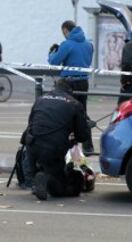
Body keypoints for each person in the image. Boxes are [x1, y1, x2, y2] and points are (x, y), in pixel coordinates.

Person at [23, 79, 90, 200]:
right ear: (71, 90)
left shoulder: (40, 99)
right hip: (54, 148)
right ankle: (46, 178)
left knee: (45, 156)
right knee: (60, 189)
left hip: (32, 145)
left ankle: (34, 179)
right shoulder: (75, 104)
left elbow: (31, 123)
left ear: (55, 87)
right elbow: (83, 136)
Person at [48, 20, 94, 154]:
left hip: (69, 83)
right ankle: (88, 146)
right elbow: (88, 61)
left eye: (64, 33)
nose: (64, 35)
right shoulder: (89, 45)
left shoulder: (67, 44)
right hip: (84, 82)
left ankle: (67, 145)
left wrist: (52, 52)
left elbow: (54, 62)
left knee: (66, 112)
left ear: (66, 31)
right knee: (82, 112)